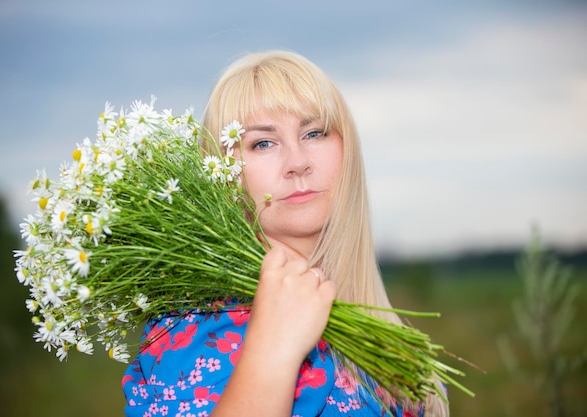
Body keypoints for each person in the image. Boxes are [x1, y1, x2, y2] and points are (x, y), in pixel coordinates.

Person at [122, 50, 449, 417]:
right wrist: (273, 348)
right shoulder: (195, 329)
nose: (297, 162)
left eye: (314, 132)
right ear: (223, 176)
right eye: (263, 143)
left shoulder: (383, 339)